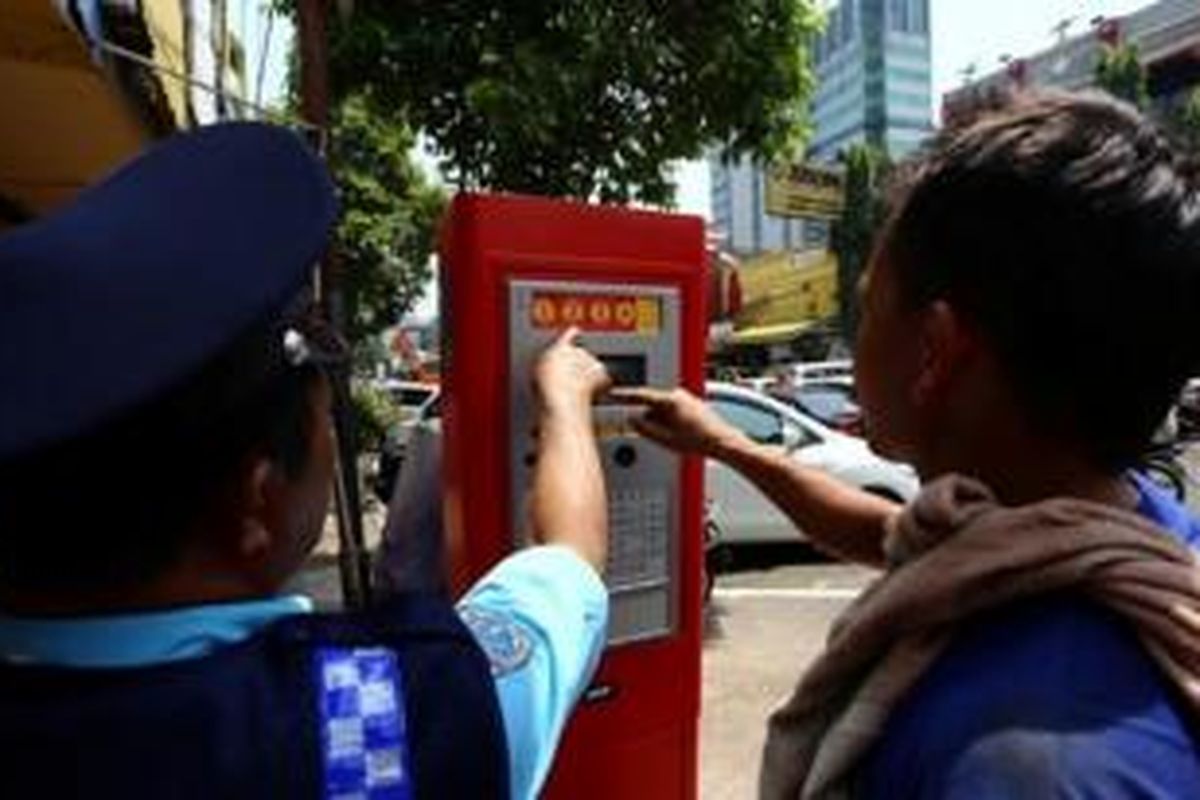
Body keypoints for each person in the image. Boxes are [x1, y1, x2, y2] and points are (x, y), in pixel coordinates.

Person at [0, 123, 612, 799]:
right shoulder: (379, 713)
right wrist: (565, 399)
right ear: (258, 501)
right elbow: (570, 557)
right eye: (325, 421)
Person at [617, 90, 1200, 798]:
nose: (860, 334)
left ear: (933, 352)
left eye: (868, 306)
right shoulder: (1128, 548)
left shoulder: (1023, 765)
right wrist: (723, 442)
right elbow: (882, 530)